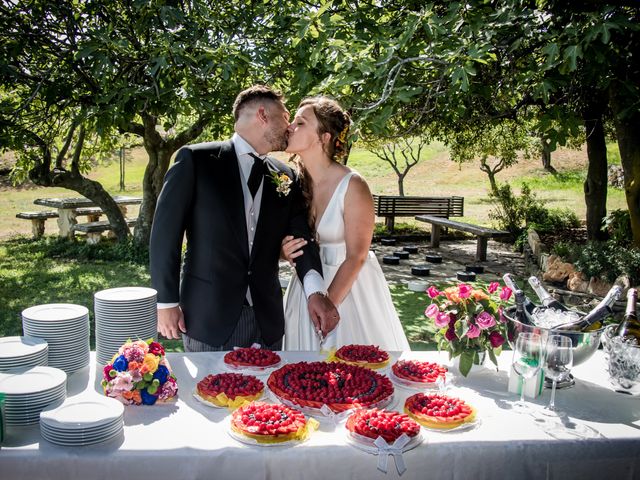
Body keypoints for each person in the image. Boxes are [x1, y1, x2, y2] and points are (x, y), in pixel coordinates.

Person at [149, 85, 339, 352]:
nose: (290, 127)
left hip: (267, 319)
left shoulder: (286, 175)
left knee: (269, 393)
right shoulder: (197, 160)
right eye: (285, 116)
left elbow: (301, 238)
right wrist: (166, 303)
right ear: (262, 115)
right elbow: (164, 234)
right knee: (207, 393)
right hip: (208, 317)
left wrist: (316, 291)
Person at [281, 96, 410, 351]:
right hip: (307, 285)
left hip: (349, 288)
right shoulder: (293, 183)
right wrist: (284, 252)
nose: (290, 127)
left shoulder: (353, 185)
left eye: (301, 122)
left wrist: (328, 305)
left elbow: (357, 255)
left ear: (324, 137)